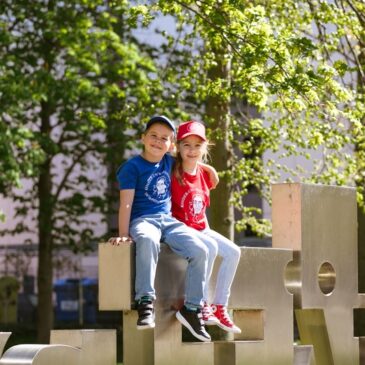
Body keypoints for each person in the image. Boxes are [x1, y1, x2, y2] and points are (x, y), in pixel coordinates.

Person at [109, 115, 219, 342]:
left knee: (202, 250)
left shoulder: (169, 162)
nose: (158, 142)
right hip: (143, 220)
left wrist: (211, 170)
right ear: (143, 138)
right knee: (147, 240)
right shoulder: (131, 167)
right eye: (154, 136)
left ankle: (192, 308)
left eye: (165, 139)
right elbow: (126, 203)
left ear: (171, 145)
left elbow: (192, 159)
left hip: (169, 221)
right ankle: (145, 302)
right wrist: (123, 234)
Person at [171, 120, 242, 334]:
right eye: (186, 145)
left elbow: (200, 209)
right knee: (209, 246)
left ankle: (219, 306)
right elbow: (161, 153)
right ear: (177, 146)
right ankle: (201, 304)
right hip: (182, 230)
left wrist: (206, 166)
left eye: (197, 146)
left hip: (202, 228)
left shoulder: (204, 174)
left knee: (233, 252)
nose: (192, 150)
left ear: (205, 147)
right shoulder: (172, 171)